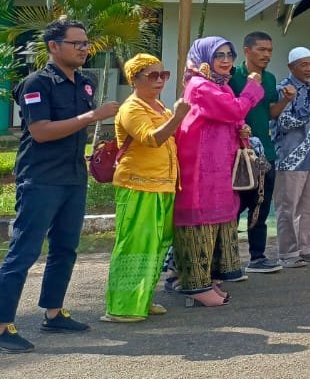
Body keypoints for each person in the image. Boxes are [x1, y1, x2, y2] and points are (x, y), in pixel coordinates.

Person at [0, 19, 118, 352]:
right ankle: (2, 325)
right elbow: (41, 131)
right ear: (54, 46)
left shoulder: (84, 83)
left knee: (66, 247)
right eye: (76, 43)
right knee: (24, 251)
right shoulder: (37, 83)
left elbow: (74, 130)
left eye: (86, 43)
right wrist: (92, 117)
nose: (84, 49)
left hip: (73, 176)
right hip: (41, 177)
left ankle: (54, 313)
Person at [172, 37, 262, 307]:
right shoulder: (200, 86)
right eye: (218, 55)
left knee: (218, 220)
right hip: (201, 165)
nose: (225, 60)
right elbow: (233, 109)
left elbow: (233, 116)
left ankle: (209, 280)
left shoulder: (218, 84)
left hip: (218, 165)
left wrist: (241, 128)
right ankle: (196, 286)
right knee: (201, 221)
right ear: (204, 59)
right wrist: (252, 88)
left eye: (229, 55)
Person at [102, 54, 188, 323]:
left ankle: (141, 299)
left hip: (163, 184)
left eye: (164, 75)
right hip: (138, 185)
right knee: (134, 245)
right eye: (153, 75)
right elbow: (152, 139)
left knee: (156, 245)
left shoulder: (158, 106)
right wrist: (178, 116)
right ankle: (121, 308)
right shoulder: (132, 108)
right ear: (134, 79)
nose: (160, 80)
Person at [228, 31, 292, 275]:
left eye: (270, 51)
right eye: (261, 50)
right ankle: (226, 260)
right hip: (238, 154)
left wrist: (285, 101)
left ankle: (257, 257)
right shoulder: (232, 77)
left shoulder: (270, 78)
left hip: (265, 153)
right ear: (247, 50)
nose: (267, 55)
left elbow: (270, 113)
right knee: (233, 208)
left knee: (261, 207)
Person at [272, 48, 310, 268]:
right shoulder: (283, 89)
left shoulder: (309, 88)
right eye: (304, 64)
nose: (309, 69)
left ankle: (308, 247)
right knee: (288, 208)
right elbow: (284, 122)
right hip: (290, 159)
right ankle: (288, 253)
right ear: (291, 67)